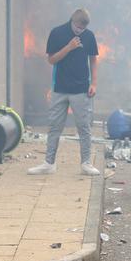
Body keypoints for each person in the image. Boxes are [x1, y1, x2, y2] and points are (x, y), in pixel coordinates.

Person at [28, 9, 100, 176]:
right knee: (54, 127)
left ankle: (86, 163)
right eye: (77, 28)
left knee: (84, 127)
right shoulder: (57, 33)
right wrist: (69, 47)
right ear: (72, 22)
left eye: (82, 29)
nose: (80, 31)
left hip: (81, 90)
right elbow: (51, 60)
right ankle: (49, 163)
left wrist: (94, 83)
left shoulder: (89, 36)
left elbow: (93, 60)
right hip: (59, 88)